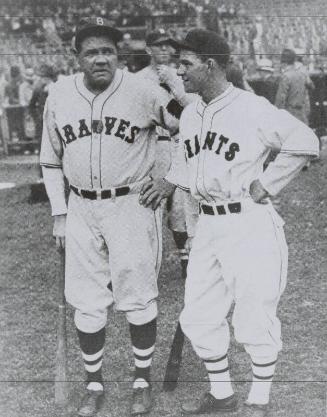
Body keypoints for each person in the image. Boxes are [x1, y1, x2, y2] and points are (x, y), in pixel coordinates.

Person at [139, 29, 319, 416]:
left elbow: (305, 140)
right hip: (208, 226)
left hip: (247, 222)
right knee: (199, 314)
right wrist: (168, 181)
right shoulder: (191, 113)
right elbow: (189, 165)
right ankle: (222, 394)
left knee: (254, 311)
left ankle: (259, 399)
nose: (179, 71)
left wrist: (267, 182)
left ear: (211, 64)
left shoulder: (251, 107)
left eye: (186, 64)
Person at [40, 17, 178, 417]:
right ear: (77, 57)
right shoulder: (59, 94)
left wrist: (170, 178)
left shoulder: (143, 89)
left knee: (136, 296)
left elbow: (187, 124)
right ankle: (94, 385)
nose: (101, 59)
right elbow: (50, 160)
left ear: (119, 55)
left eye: (108, 52)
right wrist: (59, 213)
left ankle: (141, 382)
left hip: (131, 205)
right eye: (92, 52)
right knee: (87, 300)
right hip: (81, 207)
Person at [136, 30, 198, 278]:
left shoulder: (181, 73)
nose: (164, 50)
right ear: (148, 49)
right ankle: (147, 261)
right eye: (158, 46)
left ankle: (187, 258)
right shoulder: (138, 78)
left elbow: (193, 105)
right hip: (154, 142)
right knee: (153, 202)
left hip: (180, 140)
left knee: (182, 204)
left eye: (168, 46)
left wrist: (174, 82)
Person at [275, 48, 312, 124]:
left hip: (290, 113)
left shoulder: (285, 76)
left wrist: (277, 114)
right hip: (302, 113)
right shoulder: (301, 74)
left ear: (283, 63)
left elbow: (281, 99)